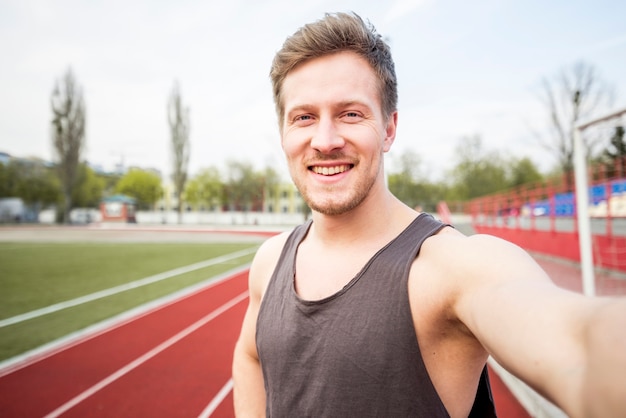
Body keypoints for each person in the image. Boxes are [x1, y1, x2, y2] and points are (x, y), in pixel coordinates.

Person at [232, 12, 626, 418]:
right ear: (283, 133)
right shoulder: (270, 260)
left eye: (350, 113)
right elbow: (249, 357)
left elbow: (581, 346)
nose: (326, 140)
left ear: (388, 129)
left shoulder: (453, 267)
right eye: (304, 117)